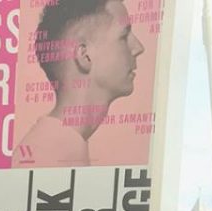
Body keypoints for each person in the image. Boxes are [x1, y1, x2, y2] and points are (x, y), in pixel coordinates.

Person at [12, 0, 145, 168]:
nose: (139, 48)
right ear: (85, 56)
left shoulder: (51, 150)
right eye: (124, 37)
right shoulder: (49, 159)